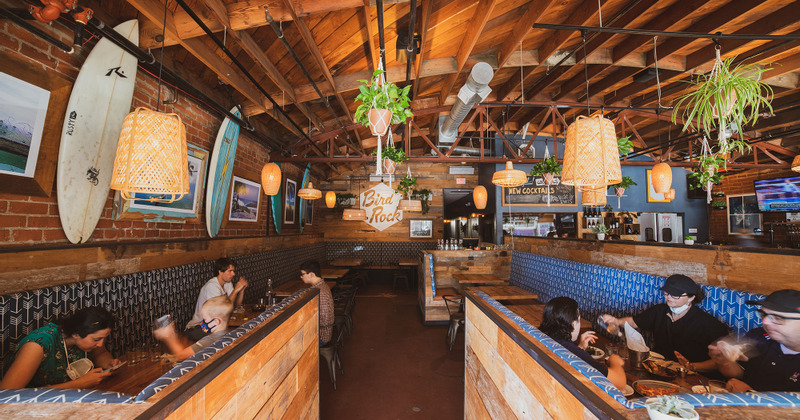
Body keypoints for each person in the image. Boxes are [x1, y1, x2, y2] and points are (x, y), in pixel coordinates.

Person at [600, 274, 729, 371]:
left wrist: (693, 367)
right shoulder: (659, 311)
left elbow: (722, 360)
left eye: (675, 295)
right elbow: (634, 322)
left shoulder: (708, 323)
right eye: (667, 293)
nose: (669, 298)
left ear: (691, 297)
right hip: (657, 366)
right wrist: (616, 321)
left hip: (691, 373)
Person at [0, 307, 119, 389]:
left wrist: (109, 364)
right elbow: (7, 394)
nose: (100, 344)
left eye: (104, 339)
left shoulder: (84, 338)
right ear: (76, 334)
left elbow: (100, 353)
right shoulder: (38, 346)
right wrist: (78, 384)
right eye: (97, 339)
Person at [709, 289, 800, 392]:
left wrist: (751, 394)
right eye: (764, 315)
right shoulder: (758, 335)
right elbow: (740, 373)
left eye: (778, 318)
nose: (765, 322)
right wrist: (724, 362)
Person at [539, 297, 627, 390]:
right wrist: (614, 361)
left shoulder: (543, 336)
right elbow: (620, 382)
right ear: (573, 323)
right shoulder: (573, 352)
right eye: (579, 319)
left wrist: (580, 347)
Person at [185, 257, 248, 341]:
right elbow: (223, 311)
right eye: (230, 271)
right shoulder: (212, 286)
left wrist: (241, 290)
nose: (233, 274)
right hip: (199, 327)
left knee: (241, 334)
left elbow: (236, 305)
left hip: (215, 325)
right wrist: (236, 290)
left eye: (233, 271)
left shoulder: (227, 283)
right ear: (220, 272)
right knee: (232, 337)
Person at [155, 296, 234, 361]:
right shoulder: (230, 334)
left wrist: (169, 336)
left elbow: (180, 356)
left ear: (216, 321)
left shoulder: (210, 341)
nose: (202, 323)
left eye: (205, 319)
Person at [299, 260, 334, 346]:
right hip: (324, 332)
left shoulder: (319, 292)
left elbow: (325, 321)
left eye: (302, 274)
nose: (301, 277)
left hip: (321, 336)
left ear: (311, 274)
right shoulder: (321, 286)